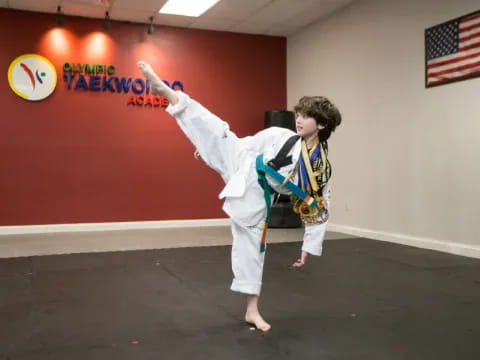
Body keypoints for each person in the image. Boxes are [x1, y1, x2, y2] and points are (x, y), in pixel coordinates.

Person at [138, 61, 341, 332]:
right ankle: (167, 92)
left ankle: (251, 311)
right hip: (243, 161)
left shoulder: (320, 169)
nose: (299, 119)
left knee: (252, 249)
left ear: (323, 124)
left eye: (306, 116)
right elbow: (245, 145)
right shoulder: (281, 135)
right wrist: (214, 152)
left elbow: (318, 206)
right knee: (218, 130)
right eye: (299, 113)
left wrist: (308, 247)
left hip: (258, 193)